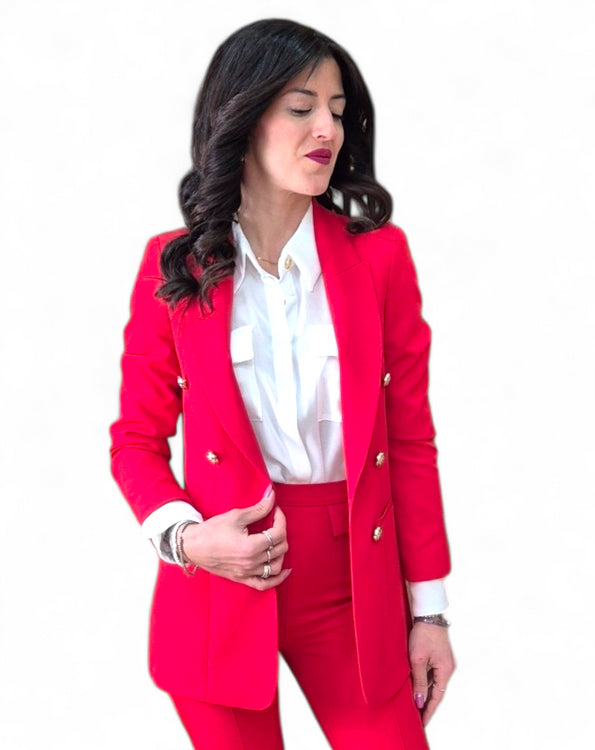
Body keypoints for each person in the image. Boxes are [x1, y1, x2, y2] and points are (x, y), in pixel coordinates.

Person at [110, 18, 454, 749]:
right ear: (242, 119)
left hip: (352, 585)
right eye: (301, 107)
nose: (326, 127)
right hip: (220, 586)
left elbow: (410, 441)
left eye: (337, 109)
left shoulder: (380, 259)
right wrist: (187, 539)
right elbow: (135, 440)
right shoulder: (173, 268)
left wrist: (429, 611)